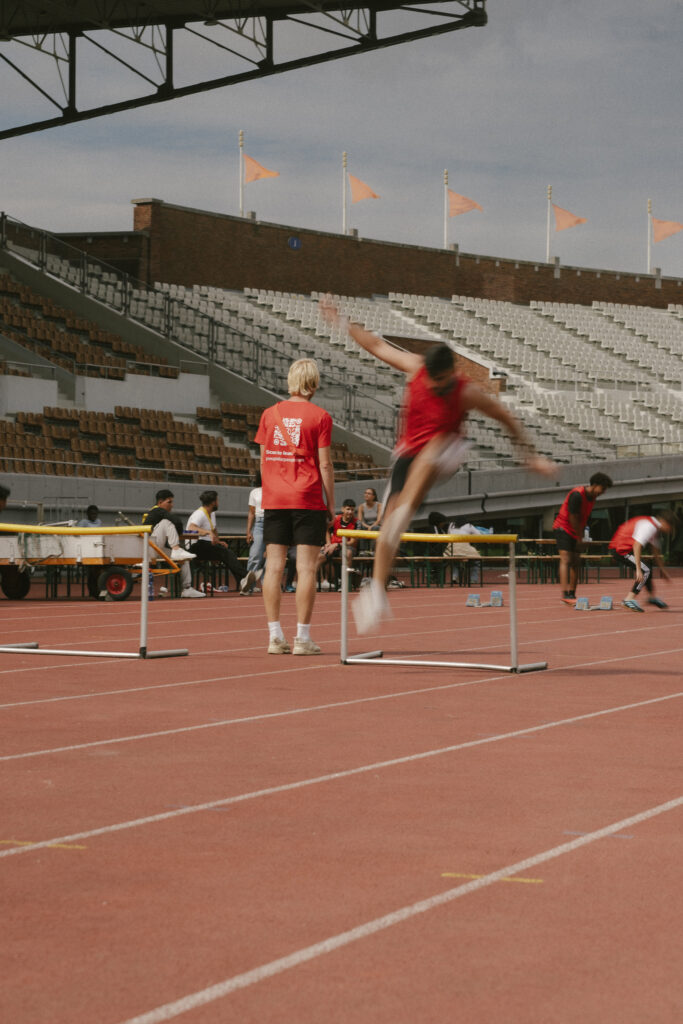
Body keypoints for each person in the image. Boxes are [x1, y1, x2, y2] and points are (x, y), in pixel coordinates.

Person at [320, 296, 557, 634]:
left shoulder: (466, 392)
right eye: (431, 381)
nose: (434, 387)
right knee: (387, 528)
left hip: (447, 453)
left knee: (431, 451)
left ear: (452, 374)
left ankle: (405, 508)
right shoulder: (416, 366)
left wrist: (530, 457)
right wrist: (341, 322)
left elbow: (508, 419)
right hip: (408, 455)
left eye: (440, 382)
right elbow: (374, 343)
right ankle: (376, 591)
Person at [255, 357, 334, 655]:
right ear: (312, 384)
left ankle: (275, 636)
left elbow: (264, 461)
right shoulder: (320, 416)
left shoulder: (269, 414)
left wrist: (271, 491)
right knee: (306, 568)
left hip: (275, 498)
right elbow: (324, 465)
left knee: (273, 567)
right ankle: (302, 638)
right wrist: (330, 504)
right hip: (307, 497)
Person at [552, 472, 613, 605]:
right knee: (566, 559)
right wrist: (580, 538)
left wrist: (582, 536)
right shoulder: (577, 495)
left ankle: (572, 593)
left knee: (576, 561)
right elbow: (572, 517)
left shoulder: (592, 498)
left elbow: (583, 517)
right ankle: (565, 594)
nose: (603, 492)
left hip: (576, 531)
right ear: (595, 485)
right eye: (602, 489)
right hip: (563, 527)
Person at [609, 510, 675, 612]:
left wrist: (663, 571)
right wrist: (639, 570)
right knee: (646, 570)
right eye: (671, 528)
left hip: (625, 548)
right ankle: (628, 600)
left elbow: (656, 552)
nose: (670, 531)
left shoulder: (655, 528)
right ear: (664, 522)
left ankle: (651, 597)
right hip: (620, 549)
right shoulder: (650, 526)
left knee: (648, 568)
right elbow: (637, 545)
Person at [142, 488, 203, 599]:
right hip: (148, 549)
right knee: (167, 522)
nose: (172, 505)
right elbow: (177, 521)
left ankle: (187, 589)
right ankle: (176, 549)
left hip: (155, 549)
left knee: (184, 558)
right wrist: (178, 532)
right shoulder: (157, 511)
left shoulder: (157, 514)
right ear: (160, 502)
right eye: (169, 502)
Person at [186, 489, 251, 592]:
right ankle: (245, 576)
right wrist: (208, 532)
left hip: (206, 545)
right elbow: (191, 527)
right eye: (217, 500)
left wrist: (218, 541)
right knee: (225, 553)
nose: (218, 502)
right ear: (213, 502)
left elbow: (214, 529)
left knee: (227, 553)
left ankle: (243, 581)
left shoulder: (212, 513)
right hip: (194, 546)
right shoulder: (200, 513)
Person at [317, 498, 359, 590]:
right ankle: (319, 582)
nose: (350, 512)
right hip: (333, 546)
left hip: (348, 546)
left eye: (352, 510)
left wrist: (338, 545)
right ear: (343, 509)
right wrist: (328, 543)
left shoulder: (356, 523)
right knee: (319, 556)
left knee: (348, 554)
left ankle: (346, 584)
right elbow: (327, 531)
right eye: (348, 509)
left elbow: (352, 542)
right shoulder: (336, 519)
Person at [242, 471, 265, 595]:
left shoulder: (276, 489)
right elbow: (251, 513)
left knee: (272, 557)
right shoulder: (254, 492)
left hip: (274, 522)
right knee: (255, 555)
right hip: (260, 524)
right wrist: (248, 531)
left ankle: (268, 585)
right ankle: (248, 586)